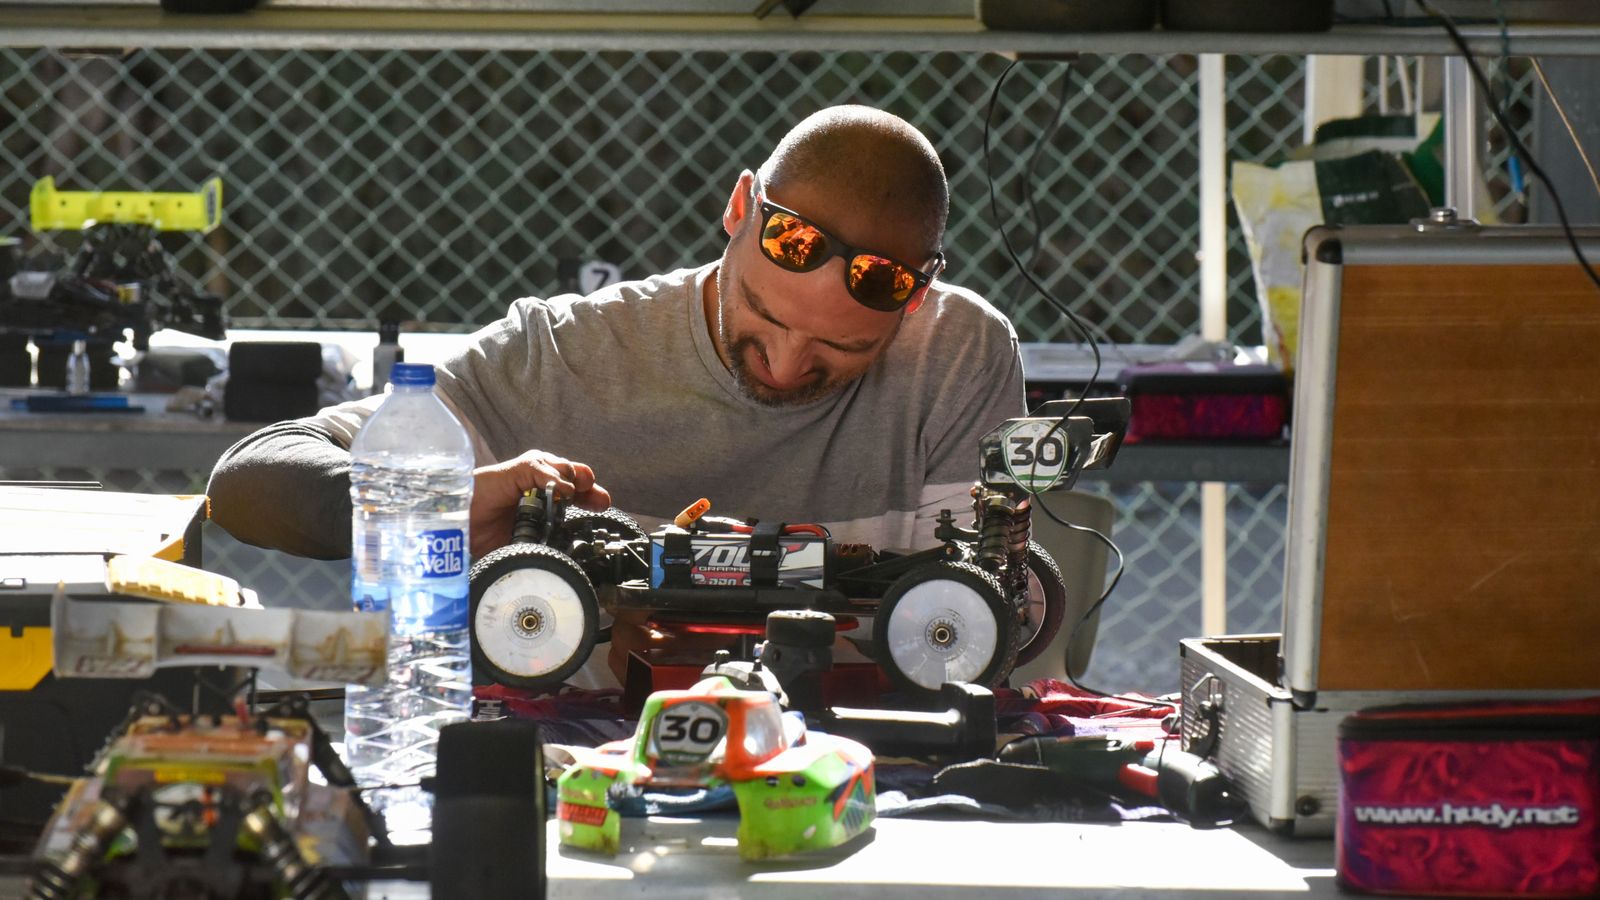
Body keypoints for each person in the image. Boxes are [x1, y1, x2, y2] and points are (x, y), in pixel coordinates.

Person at [208, 104, 1026, 572]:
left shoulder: (954, 356)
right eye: (765, 319)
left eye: (839, 354)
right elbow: (249, 481)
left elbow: (987, 625)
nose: (784, 367)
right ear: (739, 211)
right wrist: (436, 506)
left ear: (913, 303)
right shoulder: (561, 357)